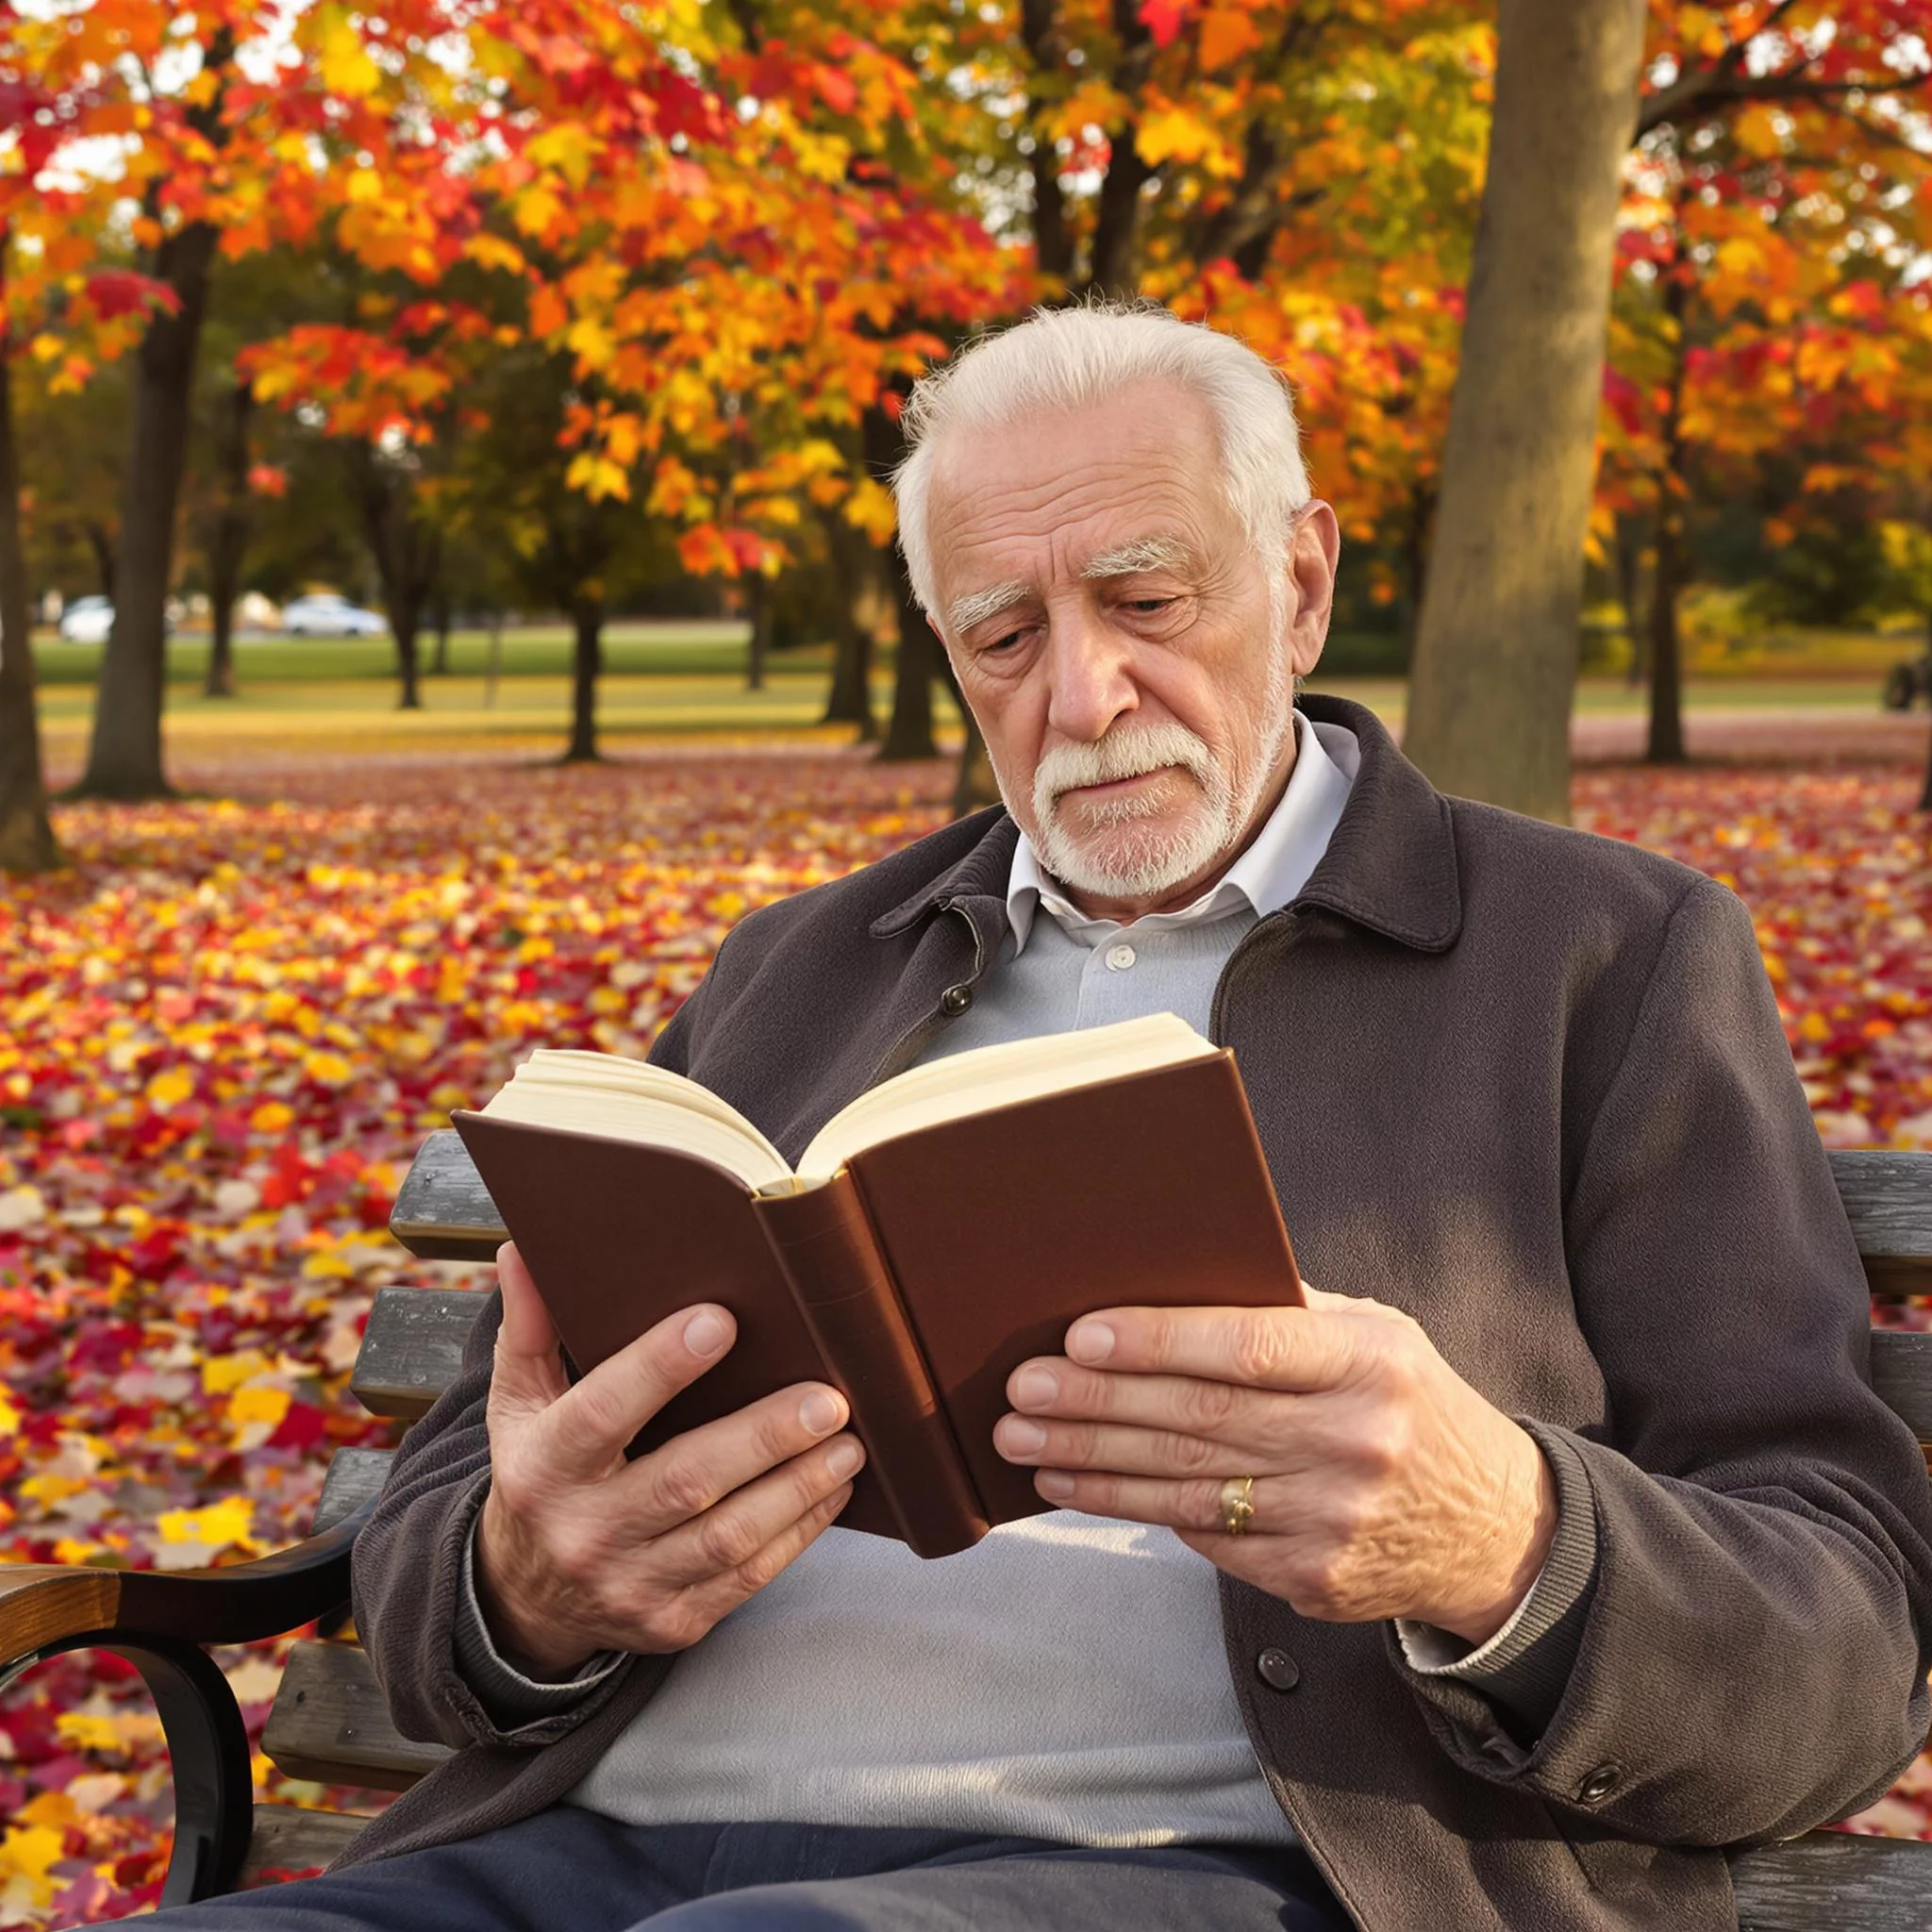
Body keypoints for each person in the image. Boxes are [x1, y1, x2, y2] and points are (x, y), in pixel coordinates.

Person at [131, 304, 1932, 1932]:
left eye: (1148, 601)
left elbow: (1843, 1647)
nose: (1082, 696)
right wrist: (529, 1577)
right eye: (1003, 636)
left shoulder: (1599, 963)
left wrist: (1503, 1541)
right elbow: (449, 1546)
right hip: (568, 1855)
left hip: (1199, 1882)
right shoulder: (803, 971)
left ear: (1299, 583)